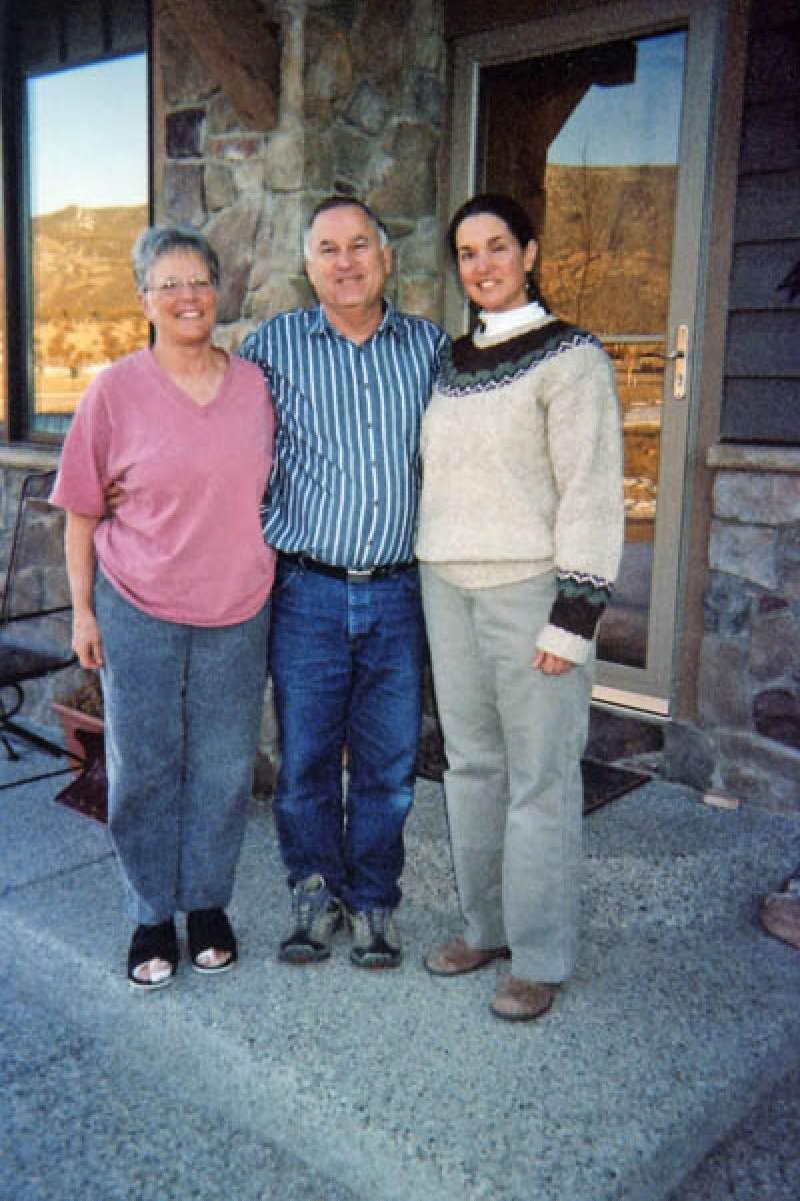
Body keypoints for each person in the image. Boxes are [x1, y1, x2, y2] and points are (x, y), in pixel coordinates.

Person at [416, 193, 624, 1021]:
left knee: (540, 777)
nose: (483, 265)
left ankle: (539, 956)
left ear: (530, 253)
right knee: (471, 767)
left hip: (531, 590)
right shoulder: (449, 363)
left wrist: (574, 616)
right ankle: (487, 928)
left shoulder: (572, 358)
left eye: (497, 246)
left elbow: (591, 490)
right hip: (446, 585)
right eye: (468, 253)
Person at [51, 224, 275, 990]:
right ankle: (150, 913)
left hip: (237, 610)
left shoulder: (255, 388)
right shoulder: (113, 392)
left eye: (199, 282)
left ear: (219, 292)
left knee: (222, 769)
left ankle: (206, 905)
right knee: (144, 767)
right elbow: (81, 513)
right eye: (168, 284)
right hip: (138, 606)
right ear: (143, 299)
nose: (187, 297)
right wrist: (84, 613)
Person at [239, 196, 448, 970]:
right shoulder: (272, 346)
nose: (345, 262)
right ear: (308, 265)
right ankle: (314, 892)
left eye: (360, 245)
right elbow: (215, 431)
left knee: (389, 766)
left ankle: (374, 900)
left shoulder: (429, 348)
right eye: (328, 248)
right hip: (309, 593)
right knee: (305, 762)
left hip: (399, 592)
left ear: (386, 257)